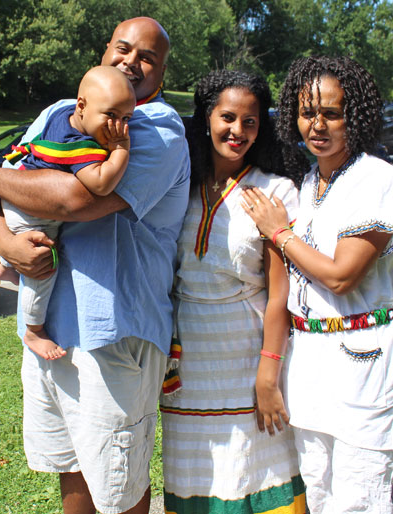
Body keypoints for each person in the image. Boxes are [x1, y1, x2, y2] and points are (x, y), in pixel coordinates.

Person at [0, 17, 190, 514]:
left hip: (114, 333)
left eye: (147, 58)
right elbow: (14, 189)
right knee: (70, 468)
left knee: (119, 484)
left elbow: (72, 199)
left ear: (161, 73)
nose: (131, 62)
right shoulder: (59, 112)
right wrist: (2, 239)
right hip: (51, 328)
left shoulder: (156, 131)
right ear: (106, 50)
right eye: (123, 49)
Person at [243, 56, 393, 513]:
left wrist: (278, 232)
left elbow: (341, 275)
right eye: (307, 113)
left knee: (360, 496)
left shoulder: (376, 181)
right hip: (310, 361)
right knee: (319, 490)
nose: (316, 125)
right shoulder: (309, 183)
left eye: (332, 113)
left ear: (354, 115)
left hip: (365, 359)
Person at [160, 70, 306, 514]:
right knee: (195, 477)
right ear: (206, 119)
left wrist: (268, 374)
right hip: (188, 367)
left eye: (251, 122)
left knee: (256, 470)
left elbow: (281, 295)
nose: (237, 131)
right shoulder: (177, 187)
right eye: (227, 117)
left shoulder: (274, 191)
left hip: (247, 356)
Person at [0, 65, 136, 360]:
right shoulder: (78, 145)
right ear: (82, 107)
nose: (119, 127)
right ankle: (34, 330)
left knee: (23, 247)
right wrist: (122, 150)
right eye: (110, 116)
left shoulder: (61, 117)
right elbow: (100, 184)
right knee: (44, 268)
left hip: (17, 197)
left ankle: (4, 265)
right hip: (34, 215)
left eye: (127, 119)